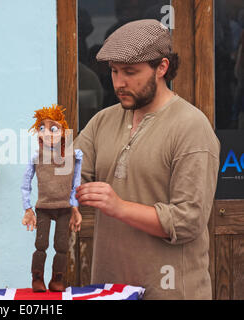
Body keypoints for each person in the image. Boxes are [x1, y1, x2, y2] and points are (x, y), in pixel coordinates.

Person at [74, 20, 220, 299]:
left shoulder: (191, 126)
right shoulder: (102, 121)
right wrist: (51, 162)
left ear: (162, 67)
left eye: (130, 72)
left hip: (171, 292)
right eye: (114, 72)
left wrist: (118, 206)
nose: (119, 83)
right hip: (109, 292)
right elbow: (73, 175)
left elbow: (187, 221)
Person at [21, 105, 83, 292]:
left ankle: (57, 279)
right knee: (41, 244)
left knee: (62, 246)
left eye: (53, 128)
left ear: (63, 132)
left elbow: (76, 184)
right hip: (44, 208)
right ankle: (37, 279)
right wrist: (28, 208)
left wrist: (75, 207)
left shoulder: (74, 156)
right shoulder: (36, 157)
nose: (46, 133)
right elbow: (26, 183)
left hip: (64, 208)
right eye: (41, 128)